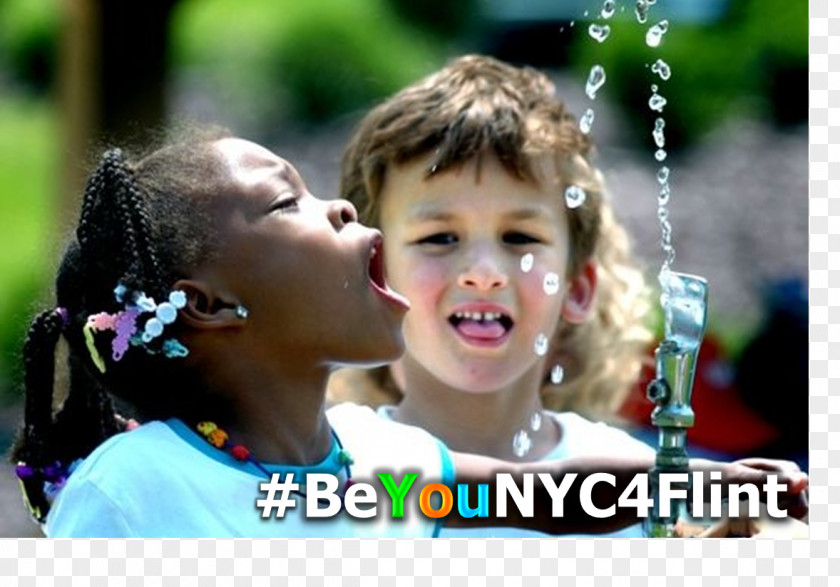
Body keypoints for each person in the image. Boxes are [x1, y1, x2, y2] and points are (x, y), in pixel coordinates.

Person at [9, 130, 805, 538]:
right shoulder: (138, 490)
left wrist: (702, 482)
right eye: (289, 202)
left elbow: (548, 494)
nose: (344, 208)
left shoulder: (374, 467)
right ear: (209, 304)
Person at [327, 54, 790, 537]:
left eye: (520, 238)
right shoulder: (338, 471)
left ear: (577, 288)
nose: (484, 273)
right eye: (439, 238)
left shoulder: (640, 482)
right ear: (373, 278)